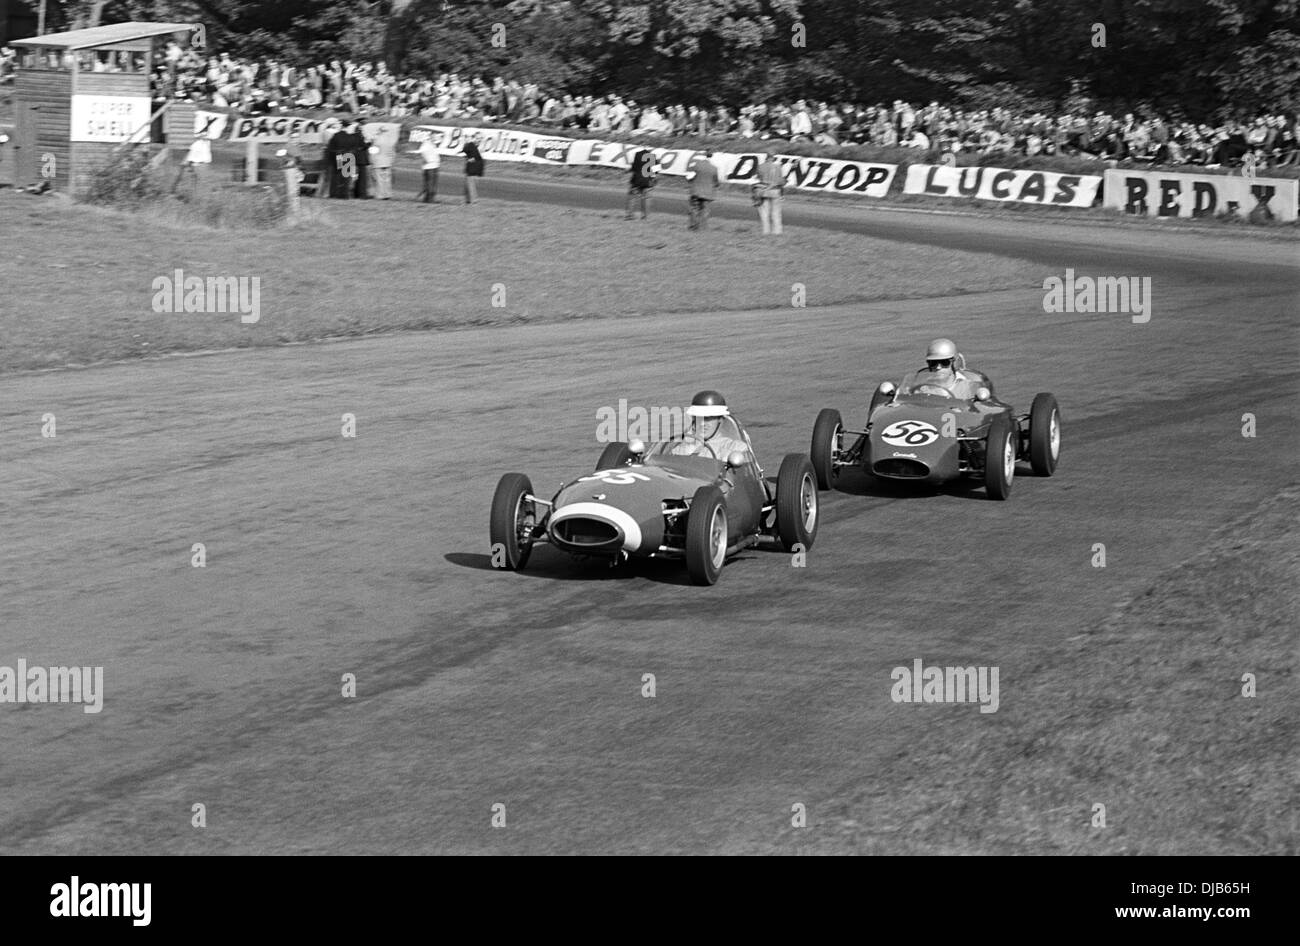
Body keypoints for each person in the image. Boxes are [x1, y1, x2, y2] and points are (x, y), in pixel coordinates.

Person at [669, 391, 751, 461]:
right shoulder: (682, 447)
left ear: (720, 419)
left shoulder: (736, 448)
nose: (702, 424)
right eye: (699, 418)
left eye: (708, 418)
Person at [903, 338, 986, 399]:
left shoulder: (970, 387)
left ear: (954, 363)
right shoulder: (921, 388)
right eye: (933, 363)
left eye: (944, 362)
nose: (938, 367)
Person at [686, 150, 720, 230]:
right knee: (705, 210)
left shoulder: (697, 165)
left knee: (694, 209)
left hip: (696, 192)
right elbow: (716, 182)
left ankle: (693, 227)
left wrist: (691, 182)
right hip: (708, 193)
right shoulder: (714, 168)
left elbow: (689, 177)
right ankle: (702, 227)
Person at [753, 152, 784, 235]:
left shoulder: (761, 166)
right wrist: (782, 193)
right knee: (776, 212)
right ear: (773, 158)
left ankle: (765, 231)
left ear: (766, 158)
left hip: (764, 190)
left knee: (764, 212)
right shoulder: (778, 167)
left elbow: (759, 178)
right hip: (775, 190)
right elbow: (780, 181)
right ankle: (777, 231)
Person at [625, 147, 658, 219]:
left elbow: (634, 168)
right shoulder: (654, 156)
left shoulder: (637, 155)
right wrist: (654, 180)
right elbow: (656, 171)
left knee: (632, 198)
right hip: (648, 180)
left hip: (637, 180)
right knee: (646, 198)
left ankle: (629, 215)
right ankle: (645, 216)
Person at [414, 134, 441, 202]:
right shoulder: (426, 144)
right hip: (429, 167)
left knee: (432, 183)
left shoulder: (433, 145)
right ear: (430, 138)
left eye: (435, 139)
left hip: (434, 166)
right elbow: (422, 152)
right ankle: (429, 199)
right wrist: (428, 160)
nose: (435, 140)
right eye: (434, 138)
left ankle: (428, 198)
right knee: (430, 184)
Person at [462, 139, 485, 203]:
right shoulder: (475, 151)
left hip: (471, 171)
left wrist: (468, 160)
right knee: (470, 186)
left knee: (470, 186)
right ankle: (469, 199)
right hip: (474, 171)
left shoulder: (472, 151)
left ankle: (472, 200)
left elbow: (471, 158)